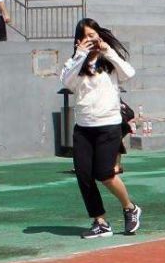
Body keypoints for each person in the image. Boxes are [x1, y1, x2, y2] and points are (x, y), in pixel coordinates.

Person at [60, 19, 141, 238]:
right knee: (84, 176)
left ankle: (130, 208)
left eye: (93, 35)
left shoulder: (109, 61)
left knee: (105, 174)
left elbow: (128, 74)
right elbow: (67, 82)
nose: (90, 40)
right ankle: (100, 221)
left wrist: (109, 51)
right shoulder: (74, 64)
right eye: (85, 37)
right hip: (84, 128)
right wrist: (80, 55)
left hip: (108, 125)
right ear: (78, 41)